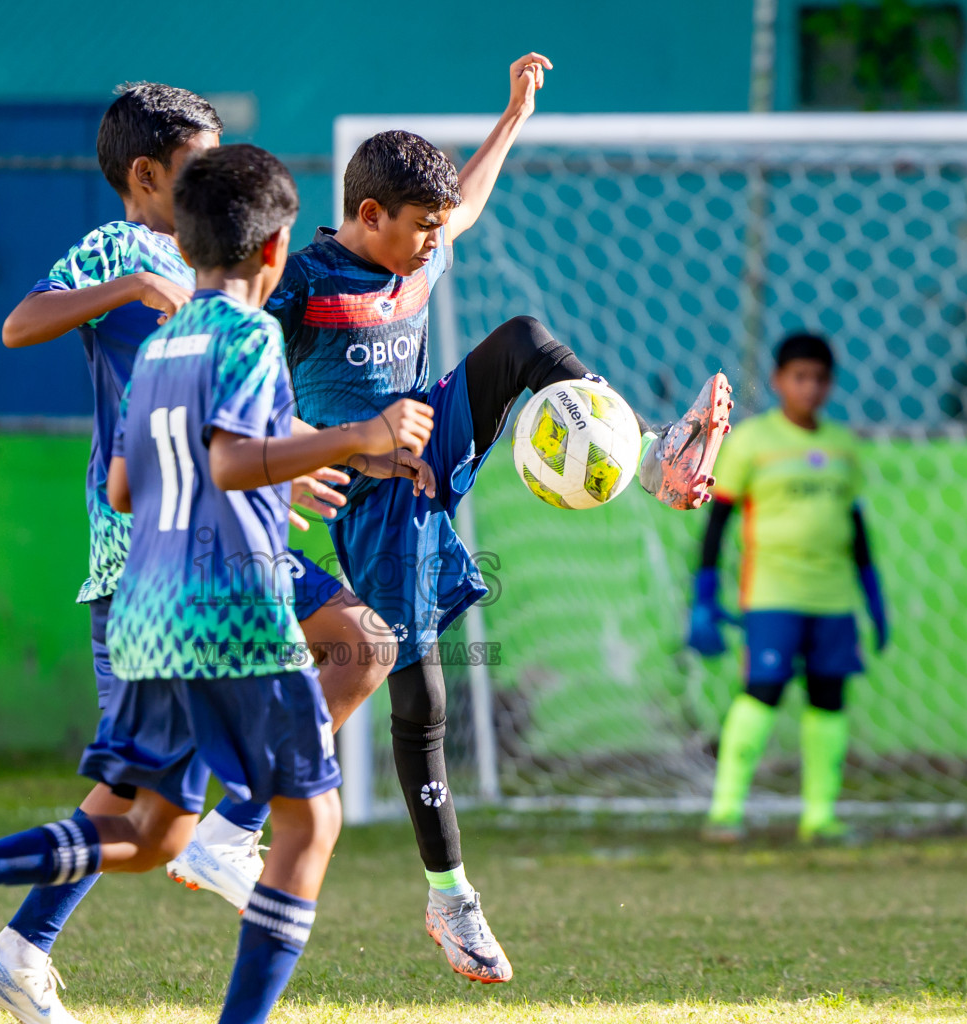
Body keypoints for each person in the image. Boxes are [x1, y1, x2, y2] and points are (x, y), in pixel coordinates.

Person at [0, 144, 437, 1024]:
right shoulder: (247, 335)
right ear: (277, 252)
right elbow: (233, 459)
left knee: (145, 832)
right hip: (231, 609)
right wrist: (355, 437)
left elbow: (129, 485)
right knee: (307, 825)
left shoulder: (165, 343)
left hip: (148, 609)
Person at [254, 53, 734, 983]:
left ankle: (654, 456)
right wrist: (298, 453)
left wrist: (511, 115)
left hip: (429, 441)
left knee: (520, 341)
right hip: (369, 492)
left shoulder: (420, 253)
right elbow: (239, 365)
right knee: (421, 697)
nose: (439, 241)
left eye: (439, 229)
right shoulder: (304, 284)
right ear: (368, 218)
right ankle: (451, 899)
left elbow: (464, 202)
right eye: (421, 229)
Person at [688, 332, 889, 844]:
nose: (810, 387)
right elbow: (719, 521)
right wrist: (704, 593)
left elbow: (856, 526)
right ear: (779, 381)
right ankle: (725, 810)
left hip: (833, 597)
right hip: (772, 595)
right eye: (800, 377)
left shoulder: (842, 447)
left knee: (829, 698)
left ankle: (819, 817)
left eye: (820, 379)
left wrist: (873, 596)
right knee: (762, 691)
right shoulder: (754, 442)